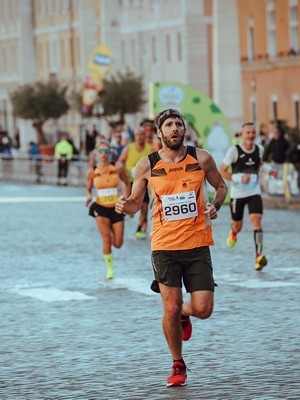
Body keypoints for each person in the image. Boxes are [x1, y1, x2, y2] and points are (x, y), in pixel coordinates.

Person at [115, 109, 228, 387]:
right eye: (169, 125)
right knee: (170, 305)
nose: (175, 128)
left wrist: (215, 205)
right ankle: (178, 364)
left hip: (198, 244)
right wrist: (124, 205)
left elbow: (221, 186)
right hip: (164, 246)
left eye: (179, 124)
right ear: (160, 132)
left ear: (184, 129)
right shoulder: (147, 165)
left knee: (203, 309)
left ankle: (185, 316)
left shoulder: (201, 158)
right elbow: (134, 202)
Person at [218, 122, 278, 271]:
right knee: (238, 225)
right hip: (238, 194)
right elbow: (222, 171)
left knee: (256, 221)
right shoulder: (234, 151)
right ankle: (233, 233)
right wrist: (238, 178)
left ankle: (259, 256)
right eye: (248, 133)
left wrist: (269, 170)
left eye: (253, 132)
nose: (251, 136)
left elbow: (259, 165)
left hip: (254, 192)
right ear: (242, 134)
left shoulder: (259, 149)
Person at [86, 140, 129, 280]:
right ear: (96, 153)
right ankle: (110, 270)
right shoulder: (92, 171)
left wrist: (126, 198)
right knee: (106, 239)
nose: (103, 155)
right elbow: (88, 188)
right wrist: (88, 197)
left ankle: (111, 229)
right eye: (101, 152)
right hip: (100, 208)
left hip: (116, 208)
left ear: (110, 153)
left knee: (118, 244)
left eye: (106, 152)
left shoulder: (117, 168)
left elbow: (127, 182)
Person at [117, 128, 154, 239]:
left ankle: (140, 228)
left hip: (146, 182)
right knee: (132, 202)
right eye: (137, 134)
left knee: (144, 206)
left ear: (145, 136)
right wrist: (120, 168)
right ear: (135, 136)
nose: (139, 137)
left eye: (141, 134)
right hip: (131, 181)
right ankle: (131, 209)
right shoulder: (129, 148)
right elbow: (120, 161)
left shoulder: (150, 149)